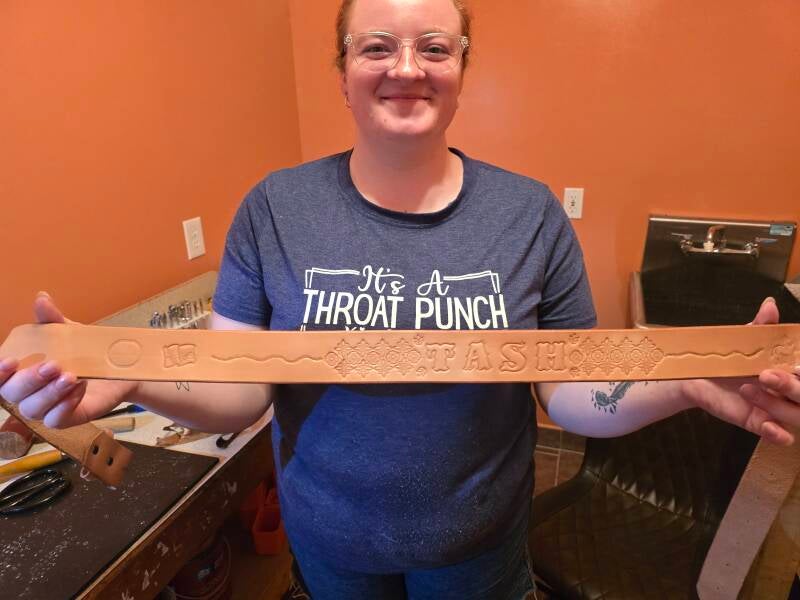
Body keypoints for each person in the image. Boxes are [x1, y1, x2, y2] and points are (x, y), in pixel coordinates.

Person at [2, 1, 799, 598]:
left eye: (434, 47)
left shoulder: (530, 214)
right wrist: (134, 379)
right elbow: (241, 389)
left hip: (480, 546)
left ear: (462, 69)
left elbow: (571, 391)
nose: (407, 68)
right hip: (332, 544)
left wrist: (688, 385)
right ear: (343, 72)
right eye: (377, 45)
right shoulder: (274, 209)